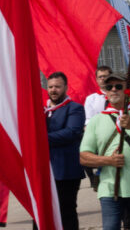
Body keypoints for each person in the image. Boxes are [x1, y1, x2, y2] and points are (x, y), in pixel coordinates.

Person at [80, 72, 130, 230]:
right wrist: (108, 161)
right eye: (109, 87)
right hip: (109, 189)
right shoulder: (96, 120)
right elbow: (83, 157)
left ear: (127, 90)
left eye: (118, 86)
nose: (113, 90)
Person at [46, 72, 86, 230]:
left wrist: (40, 139)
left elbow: (71, 132)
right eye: (50, 87)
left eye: (57, 86)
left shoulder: (75, 108)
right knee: (42, 212)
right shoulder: (43, 110)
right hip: (46, 171)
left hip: (66, 172)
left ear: (66, 88)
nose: (53, 90)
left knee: (66, 212)